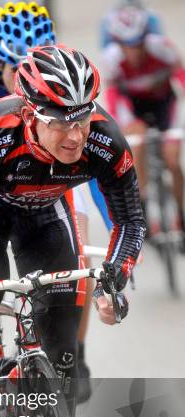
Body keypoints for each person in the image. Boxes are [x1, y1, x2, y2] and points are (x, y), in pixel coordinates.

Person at [0, 45, 145, 417]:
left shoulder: (104, 140)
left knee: (64, 352)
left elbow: (131, 221)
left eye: (82, 118)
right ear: (30, 115)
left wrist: (113, 280)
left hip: (46, 215)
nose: (76, 135)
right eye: (61, 122)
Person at [0, 1, 113, 403]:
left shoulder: (61, 78)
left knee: (75, 260)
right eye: (15, 67)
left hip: (51, 169)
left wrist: (117, 238)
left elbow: (102, 170)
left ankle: (71, 352)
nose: (23, 76)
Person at [102, 5, 185, 247]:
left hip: (164, 104)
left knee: (172, 159)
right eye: (127, 45)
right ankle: (144, 209)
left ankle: (181, 215)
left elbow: (180, 74)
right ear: (117, 42)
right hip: (135, 108)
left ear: (145, 38)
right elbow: (114, 96)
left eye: (138, 43)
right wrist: (119, 125)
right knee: (135, 147)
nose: (133, 51)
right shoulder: (111, 59)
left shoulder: (161, 48)